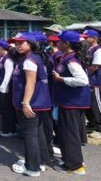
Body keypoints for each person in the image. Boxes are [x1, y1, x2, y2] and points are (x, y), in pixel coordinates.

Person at [10, 33, 51, 177]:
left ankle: (32, 168)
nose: (18, 45)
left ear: (31, 44)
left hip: (31, 102)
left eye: (22, 42)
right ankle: (39, 162)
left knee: (30, 135)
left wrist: (26, 103)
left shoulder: (29, 60)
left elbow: (31, 82)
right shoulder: (33, 57)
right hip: (37, 102)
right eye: (16, 43)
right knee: (37, 133)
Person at [52, 30, 90, 175]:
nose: (57, 43)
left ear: (66, 44)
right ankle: (71, 159)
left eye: (59, 41)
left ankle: (75, 165)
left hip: (72, 102)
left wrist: (62, 79)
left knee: (69, 133)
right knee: (66, 132)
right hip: (68, 101)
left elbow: (82, 80)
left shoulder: (72, 60)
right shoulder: (67, 57)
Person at [0, 40, 16, 137]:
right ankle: (6, 128)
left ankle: (10, 130)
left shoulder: (8, 59)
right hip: (0, 87)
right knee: (4, 109)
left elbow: (8, 74)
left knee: (8, 110)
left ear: (1, 48)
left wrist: (4, 86)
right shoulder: (2, 58)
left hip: (5, 89)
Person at [82, 29, 101, 138]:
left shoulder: (98, 50)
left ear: (94, 38)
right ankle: (92, 123)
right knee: (89, 104)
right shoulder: (88, 49)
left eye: (86, 37)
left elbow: (95, 66)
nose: (85, 39)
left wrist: (84, 73)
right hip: (88, 81)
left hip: (95, 81)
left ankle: (99, 125)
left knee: (96, 104)